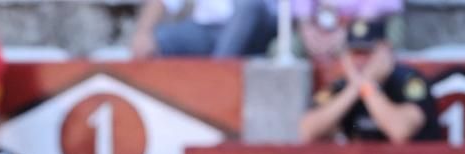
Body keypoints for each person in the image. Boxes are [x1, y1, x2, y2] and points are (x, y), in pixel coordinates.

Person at [299, 17, 441, 144]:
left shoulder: (407, 80)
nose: (360, 61)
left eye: (366, 52)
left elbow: (400, 131)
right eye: (355, 53)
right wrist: (354, 89)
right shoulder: (342, 87)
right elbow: (307, 131)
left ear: (385, 51)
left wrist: (367, 87)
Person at [130, 0, 280, 58]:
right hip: (205, 30)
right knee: (159, 39)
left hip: (254, 30)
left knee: (247, 6)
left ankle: (216, 77)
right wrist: (143, 33)